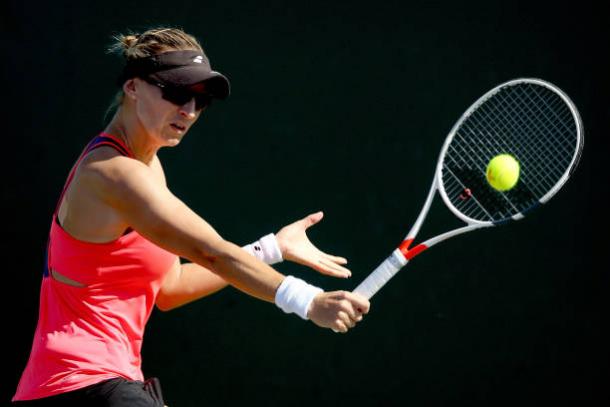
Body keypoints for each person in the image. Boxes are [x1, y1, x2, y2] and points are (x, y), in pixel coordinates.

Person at [12, 27, 370, 406]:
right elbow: (210, 251)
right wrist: (308, 301)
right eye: (177, 93)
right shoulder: (114, 173)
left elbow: (170, 288)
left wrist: (271, 248)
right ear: (132, 87)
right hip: (83, 385)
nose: (189, 111)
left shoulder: (147, 167)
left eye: (201, 101)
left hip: (86, 384)